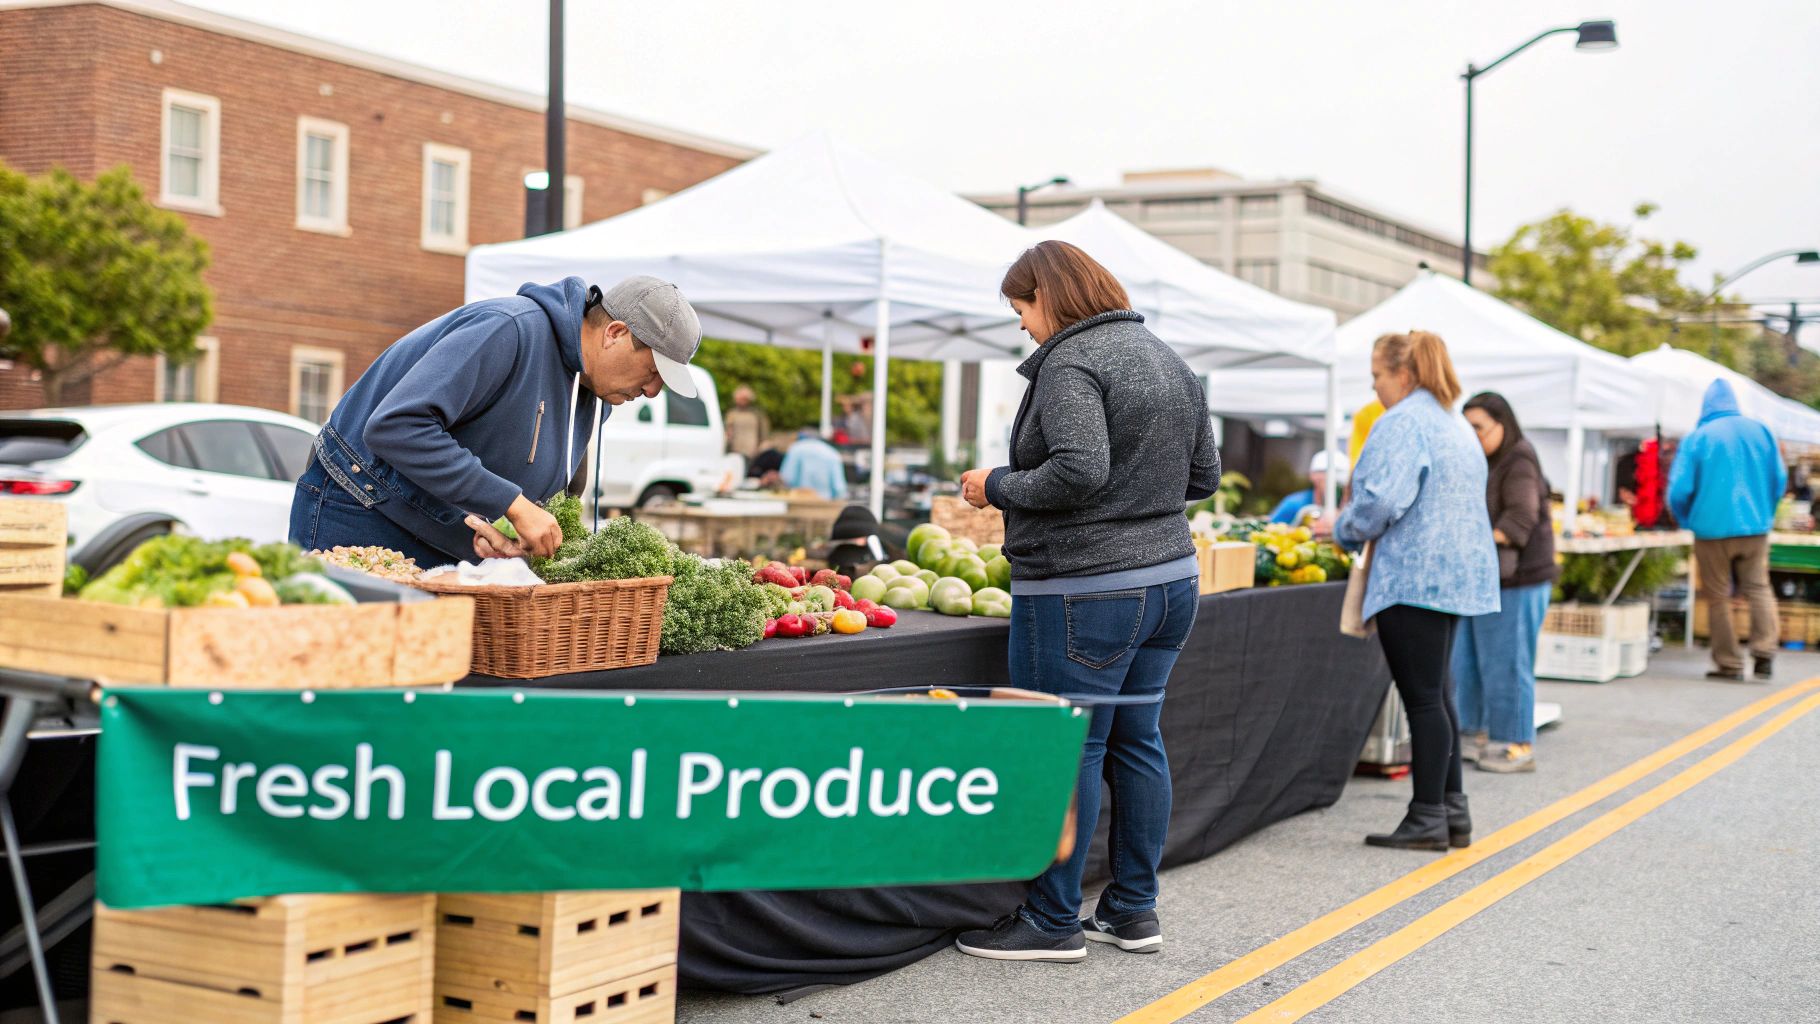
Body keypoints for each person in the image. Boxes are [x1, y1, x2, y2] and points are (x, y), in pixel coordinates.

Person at [951, 240, 1219, 962]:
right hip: (1171, 583)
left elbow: (1078, 469)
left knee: (1067, 747)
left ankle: (1052, 919)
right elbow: (1205, 477)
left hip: (1082, 592)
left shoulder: (1071, 362)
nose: (1024, 329)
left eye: (1022, 311)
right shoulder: (1167, 357)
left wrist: (995, 485)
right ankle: (1133, 911)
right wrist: (1141, 503)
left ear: (1050, 297)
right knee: (1138, 744)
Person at [289, 276, 702, 567]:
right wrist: (514, 505)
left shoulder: (594, 393)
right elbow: (396, 426)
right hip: (359, 512)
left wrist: (502, 533)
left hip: (436, 542)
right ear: (615, 332)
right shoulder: (509, 329)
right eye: (652, 373)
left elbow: (520, 485)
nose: (651, 391)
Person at [1316, 330, 1497, 851]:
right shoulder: (1455, 423)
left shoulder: (1401, 423)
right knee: (1439, 694)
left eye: (1376, 376)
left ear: (1404, 373)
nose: (1374, 388)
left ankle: (1426, 817)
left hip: (1415, 573)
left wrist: (1341, 526)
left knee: (1422, 698)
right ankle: (1451, 811)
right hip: (1459, 573)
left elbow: (1380, 502)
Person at [1454, 392, 1557, 774]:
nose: (1472, 435)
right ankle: (1475, 733)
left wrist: (1473, 539)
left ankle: (1517, 743)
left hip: (1520, 580)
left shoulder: (1519, 458)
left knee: (1508, 662)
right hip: (1485, 576)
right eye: (1466, 428)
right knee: (1467, 660)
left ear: (1502, 424)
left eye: (1478, 427)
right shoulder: (1481, 460)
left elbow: (1520, 519)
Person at [1668, 379, 1785, 681]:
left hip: (1711, 529)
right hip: (1755, 527)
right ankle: (1764, 654)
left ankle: (1729, 664)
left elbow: (1679, 490)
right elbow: (1779, 479)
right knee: (1758, 587)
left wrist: (1685, 519)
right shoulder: (1760, 431)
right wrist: (1766, 511)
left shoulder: (1698, 437)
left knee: (1718, 596)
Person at [1269, 450, 1349, 525]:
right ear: (1313, 476)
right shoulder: (1294, 504)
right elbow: (1271, 529)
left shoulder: (1349, 508)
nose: (1335, 489)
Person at [778, 428, 848, 500]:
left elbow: (786, 479)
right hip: (825, 504)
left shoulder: (795, 448)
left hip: (798, 504)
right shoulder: (832, 452)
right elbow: (839, 488)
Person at [723, 385, 770, 462]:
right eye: (740, 399)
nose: (742, 401)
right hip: (736, 451)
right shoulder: (732, 414)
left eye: (744, 399)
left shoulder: (756, 414)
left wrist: (761, 446)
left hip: (753, 452)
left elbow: (764, 433)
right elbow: (728, 432)